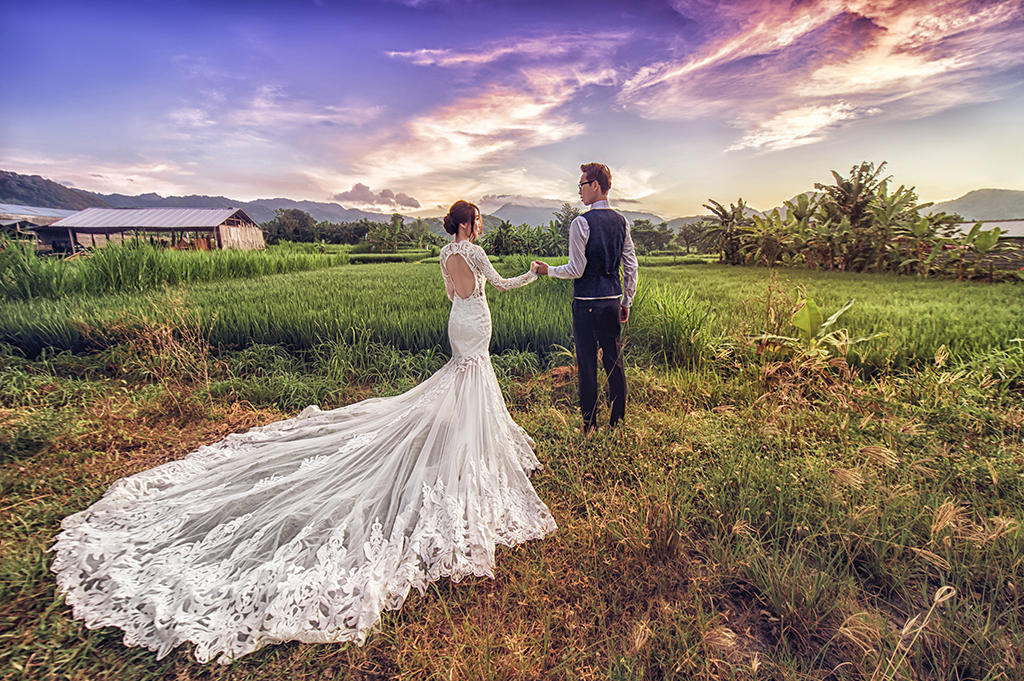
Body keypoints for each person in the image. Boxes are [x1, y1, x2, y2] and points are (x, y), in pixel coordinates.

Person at [50, 200, 556, 664]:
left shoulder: (445, 254)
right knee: (472, 377)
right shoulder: (476, 251)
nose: (481, 226)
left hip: (456, 324)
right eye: (479, 220)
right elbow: (502, 287)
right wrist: (533, 274)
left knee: (460, 375)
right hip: (478, 322)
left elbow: (453, 294)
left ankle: (472, 439)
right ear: (469, 223)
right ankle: (473, 446)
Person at [532, 162, 638, 432]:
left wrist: (548, 271)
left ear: (595, 185)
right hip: (612, 301)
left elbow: (576, 269)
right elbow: (631, 265)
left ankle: (589, 426)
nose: (579, 191)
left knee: (588, 364)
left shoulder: (581, 222)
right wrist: (626, 301)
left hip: (586, 305)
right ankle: (617, 422)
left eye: (581, 185)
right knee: (614, 360)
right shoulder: (621, 221)